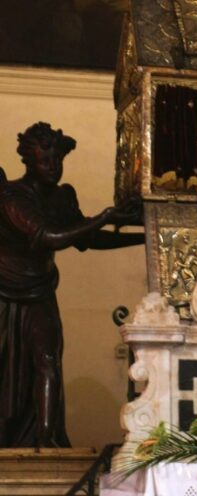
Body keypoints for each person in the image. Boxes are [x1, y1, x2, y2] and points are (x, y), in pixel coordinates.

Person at [0, 122, 144, 448]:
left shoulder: (62, 197)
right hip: (5, 294)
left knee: (47, 359)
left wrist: (144, 236)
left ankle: (48, 442)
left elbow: (87, 238)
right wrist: (105, 217)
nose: (53, 167)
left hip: (39, 292)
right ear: (29, 161)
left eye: (57, 160)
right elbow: (49, 237)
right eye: (45, 161)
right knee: (7, 375)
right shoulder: (11, 196)